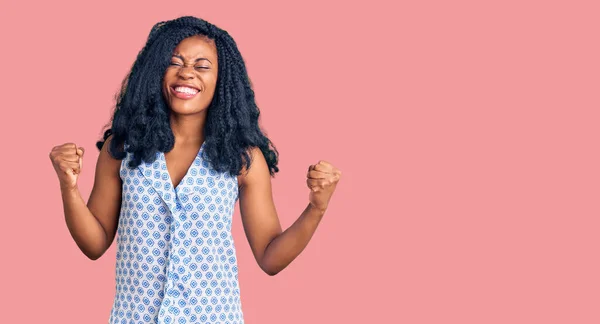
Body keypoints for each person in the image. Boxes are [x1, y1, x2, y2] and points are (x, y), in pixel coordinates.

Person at [48, 16, 341, 324]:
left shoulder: (242, 158)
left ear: (221, 80)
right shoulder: (122, 149)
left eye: (202, 66)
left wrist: (316, 209)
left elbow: (270, 256)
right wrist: (68, 188)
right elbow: (95, 244)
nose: (186, 73)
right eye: (174, 62)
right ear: (155, 72)